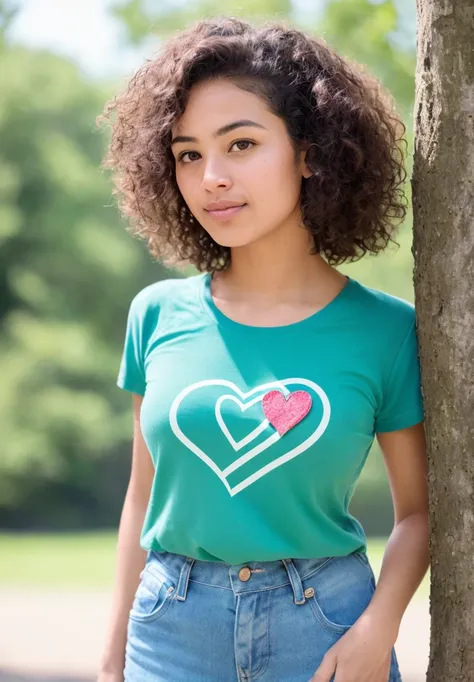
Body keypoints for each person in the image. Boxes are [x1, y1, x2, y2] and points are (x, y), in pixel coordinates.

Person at [96, 15, 429, 682]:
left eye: (241, 144)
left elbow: (419, 511)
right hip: (170, 631)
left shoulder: (388, 332)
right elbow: (142, 498)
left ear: (311, 151)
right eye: (188, 154)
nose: (211, 176)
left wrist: (378, 626)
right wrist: (112, 663)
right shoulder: (156, 315)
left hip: (328, 627)